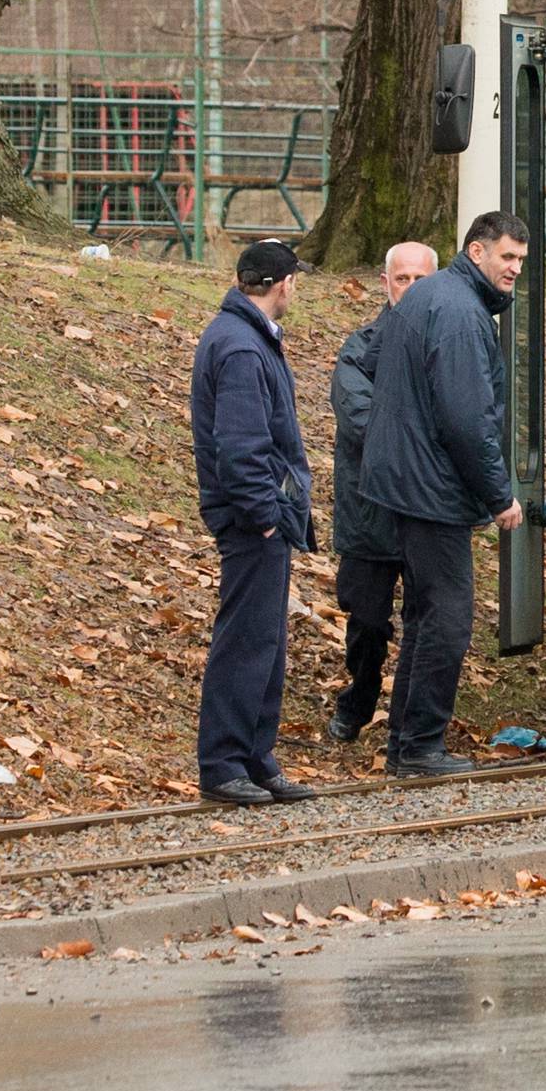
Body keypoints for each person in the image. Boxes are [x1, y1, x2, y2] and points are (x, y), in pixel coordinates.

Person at [361, 210, 528, 776]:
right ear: (476, 253)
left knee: (427, 616)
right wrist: (499, 495)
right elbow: (467, 419)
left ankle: (406, 747)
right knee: (449, 620)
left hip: (407, 481)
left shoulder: (434, 298)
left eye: (522, 261)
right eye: (507, 257)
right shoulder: (460, 312)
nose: (515, 270)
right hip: (430, 486)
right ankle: (421, 747)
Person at [189, 238, 318, 808]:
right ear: (283, 283)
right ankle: (223, 763)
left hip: (263, 517)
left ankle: (255, 757)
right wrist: (265, 516)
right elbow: (240, 449)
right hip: (254, 521)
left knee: (264, 640)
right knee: (246, 640)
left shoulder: (245, 337)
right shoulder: (241, 346)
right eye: (296, 280)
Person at [325, 240, 439, 742]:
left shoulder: (450, 343)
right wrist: (423, 434)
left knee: (426, 618)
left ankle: (410, 722)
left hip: (428, 510)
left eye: (420, 279)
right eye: (402, 279)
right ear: (385, 282)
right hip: (369, 511)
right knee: (367, 620)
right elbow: (360, 421)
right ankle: (360, 696)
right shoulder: (359, 346)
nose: (410, 288)